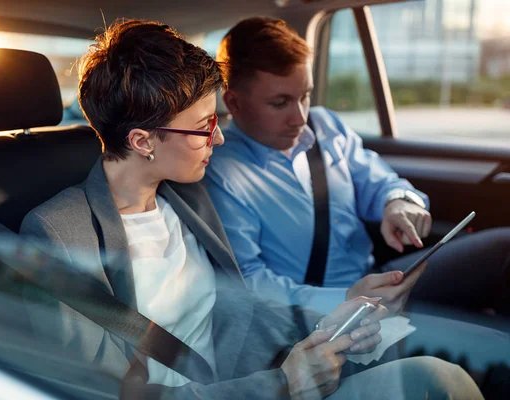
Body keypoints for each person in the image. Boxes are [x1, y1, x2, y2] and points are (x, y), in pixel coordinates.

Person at [19, 19, 482, 399]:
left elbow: (240, 310)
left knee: (443, 378)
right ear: (143, 142)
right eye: (204, 126)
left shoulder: (186, 198)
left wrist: (335, 316)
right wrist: (282, 384)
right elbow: (101, 393)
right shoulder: (60, 233)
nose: (219, 139)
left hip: (263, 380)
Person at [204, 17, 510, 319]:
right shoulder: (221, 171)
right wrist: (346, 300)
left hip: (377, 280)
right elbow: (249, 283)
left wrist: (397, 202)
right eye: (280, 102)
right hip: (315, 317)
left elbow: (379, 181)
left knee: (503, 248)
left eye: (305, 96)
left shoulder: (324, 126)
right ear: (234, 103)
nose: (299, 117)